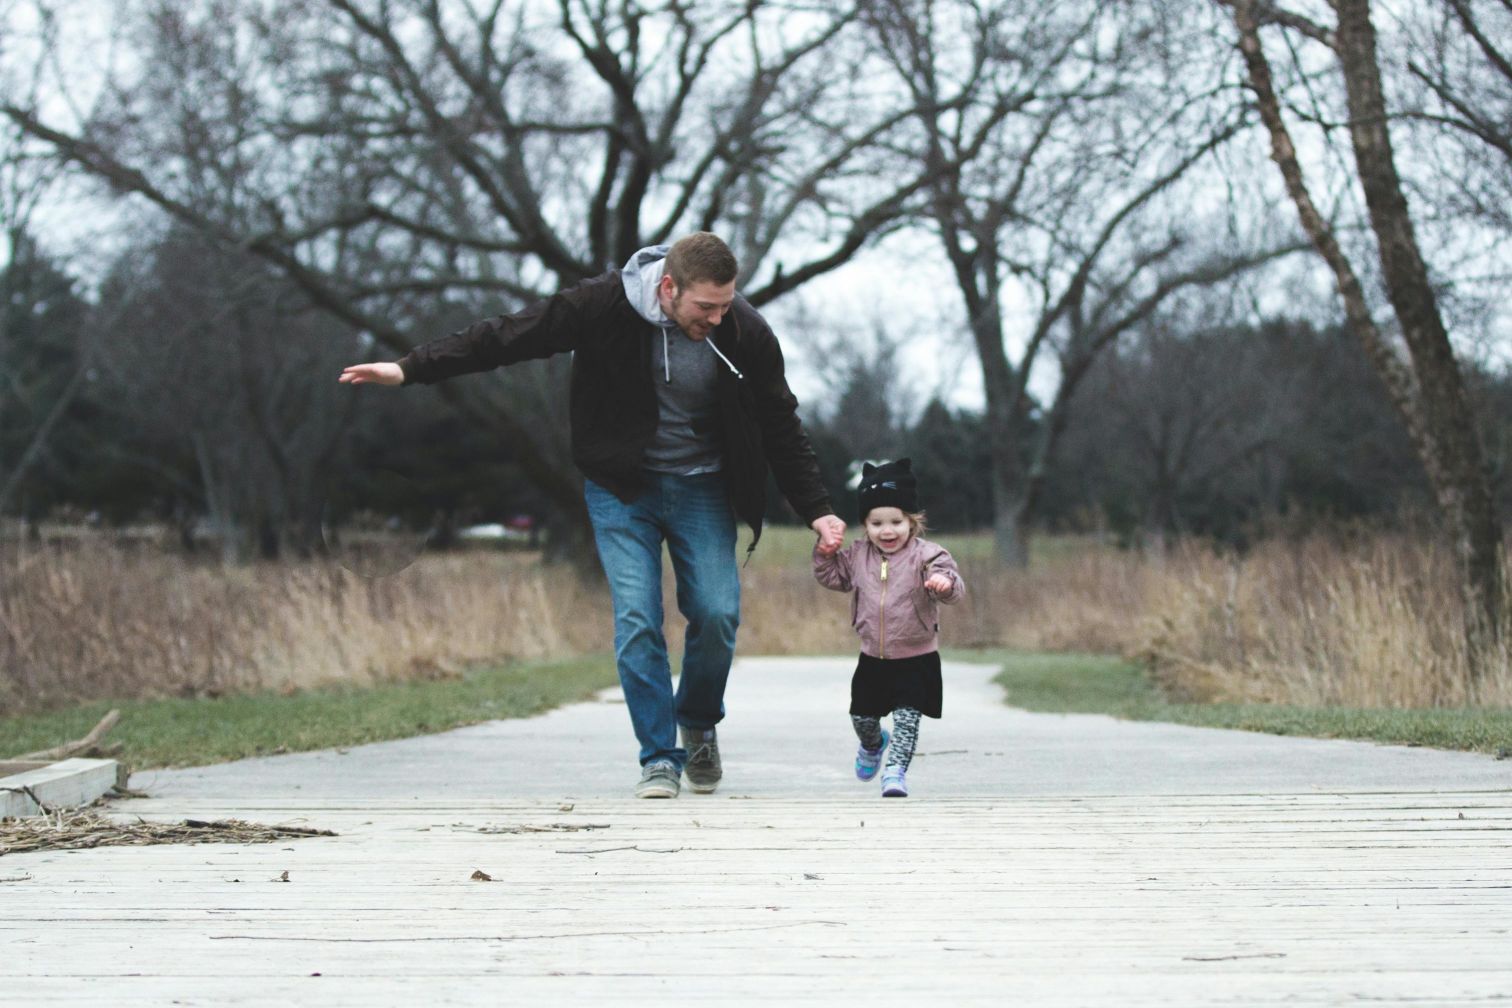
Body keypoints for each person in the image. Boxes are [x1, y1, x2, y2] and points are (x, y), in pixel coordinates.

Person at [339, 232, 846, 798]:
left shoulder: (744, 330)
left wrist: (817, 511)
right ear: (668, 286)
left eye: (726, 304)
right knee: (637, 619)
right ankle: (659, 756)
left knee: (717, 613)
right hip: (621, 487)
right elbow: (508, 336)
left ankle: (699, 721)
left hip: (702, 486)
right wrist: (410, 369)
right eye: (706, 307)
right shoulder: (602, 304)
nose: (717, 317)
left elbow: (781, 422)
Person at [812, 458, 964, 798]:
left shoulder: (928, 556)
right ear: (865, 525)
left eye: (896, 521)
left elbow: (955, 586)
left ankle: (895, 773)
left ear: (912, 521)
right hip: (872, 658)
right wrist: (824, 555)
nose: (887, 530)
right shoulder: (857, 556)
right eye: (877, 522)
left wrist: (944, 582)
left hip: (916, 658)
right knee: (862, 718)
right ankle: (874, 743)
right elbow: (832, 577)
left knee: (908, 721)